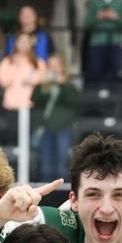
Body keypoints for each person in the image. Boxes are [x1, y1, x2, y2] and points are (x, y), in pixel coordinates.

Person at [30, 54, 80, 183]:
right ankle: (45, 189)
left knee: (62, 159)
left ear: (62, 67)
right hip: (45, 128)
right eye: (50, 65)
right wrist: (42, 85)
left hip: (62, 127)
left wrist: (63, 84)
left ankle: (62, 190)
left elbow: (73, 101)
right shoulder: (43, 86)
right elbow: (34, 100)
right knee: (45, 160)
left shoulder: (69, 86)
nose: (54, 68)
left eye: (56, 65)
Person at [0, 32, 46, 113]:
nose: (24, 44)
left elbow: (41, 79)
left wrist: (29, 80)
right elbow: (3, 81)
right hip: (11, 104)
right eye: (21, 41)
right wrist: (16, 66)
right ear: (16, 43)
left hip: (30, 104)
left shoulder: (38, 63)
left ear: (31, 44)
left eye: (27, 41)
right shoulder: (7, 61)